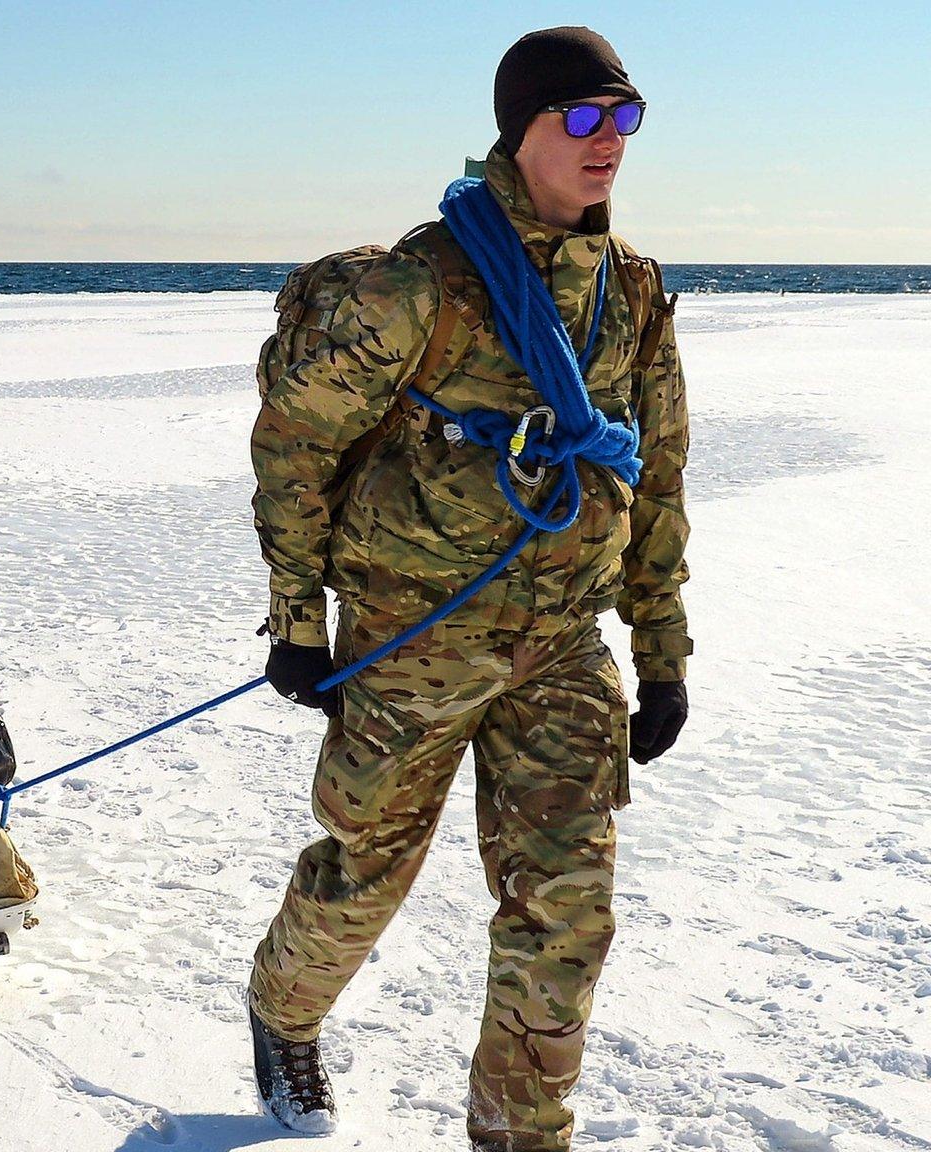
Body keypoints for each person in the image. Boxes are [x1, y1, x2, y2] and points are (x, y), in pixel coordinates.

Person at [245, 27, 691, 1151]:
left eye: (621, 119)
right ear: (520, 129)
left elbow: (657, 471)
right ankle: (281, 1008)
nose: (605, 144)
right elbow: (293, 450)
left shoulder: (629, 294)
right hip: (413, 638)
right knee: (365, 870)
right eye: (578, 119)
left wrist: (661, 651)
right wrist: (300, 624)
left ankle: (516, 1137)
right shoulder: (413, 287)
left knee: (564, 916)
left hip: (562, 648)